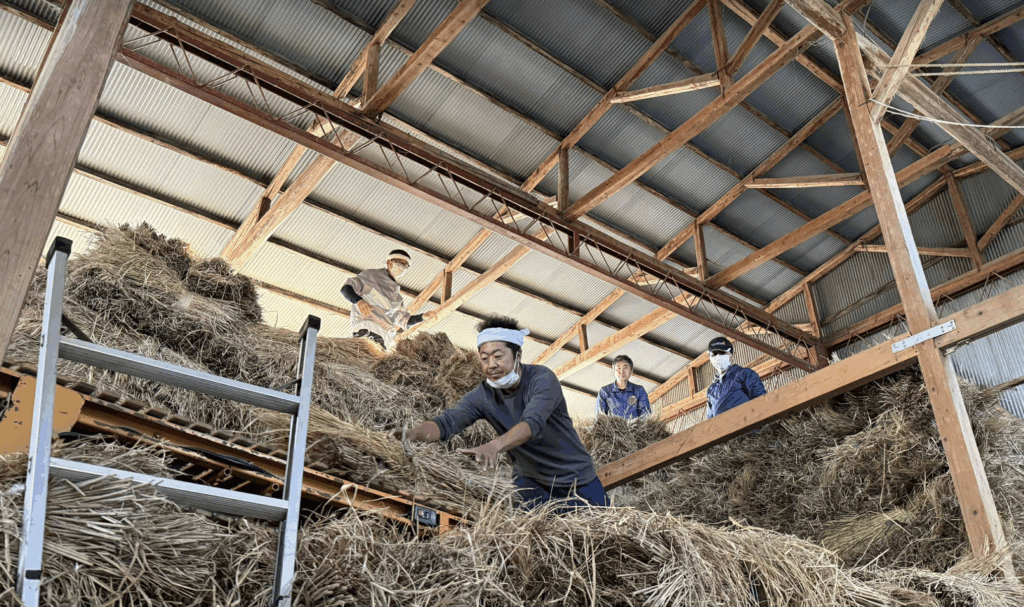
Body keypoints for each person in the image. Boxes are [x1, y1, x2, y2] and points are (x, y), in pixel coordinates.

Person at [393, 316, 608, 511]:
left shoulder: (542, 379)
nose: (491, 365)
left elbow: (531, 425)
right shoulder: (482, 396)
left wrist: (494, 446)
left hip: (578, 479)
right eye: (484, 359)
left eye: (498, 356)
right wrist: (412, 434)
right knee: (535, 542)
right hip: (532, 481)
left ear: (518, 355)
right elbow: (446, 423)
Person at [341, 249, 434, 349]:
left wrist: (423, 317)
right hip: (367, 328)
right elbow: (346, 288)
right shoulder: (371, 276)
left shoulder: (397, 298)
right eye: (399, 263)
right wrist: (358, 300)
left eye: (405, 265)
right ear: (389, 262)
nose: (401, 267)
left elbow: (405, 321)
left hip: (386, 337)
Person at [705, 336, 766, 419]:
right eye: (714, 354)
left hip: (747, 427)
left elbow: (761, 400)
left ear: (732, 355)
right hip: (723, 431)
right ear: (709, 358)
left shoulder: (745, 374)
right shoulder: (711, 390)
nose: (718, 357)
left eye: (722, 353)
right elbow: (710, 419)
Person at [596, 355, 651, 420]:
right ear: (614, 370)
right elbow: (600, 416)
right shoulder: (604, 391)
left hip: (634, 429)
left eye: (625, 368)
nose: (622, 372)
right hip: (611, 429)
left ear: (631, 371)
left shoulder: (639, 390)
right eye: (618, 368)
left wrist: (635, 427)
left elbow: (645, 413)